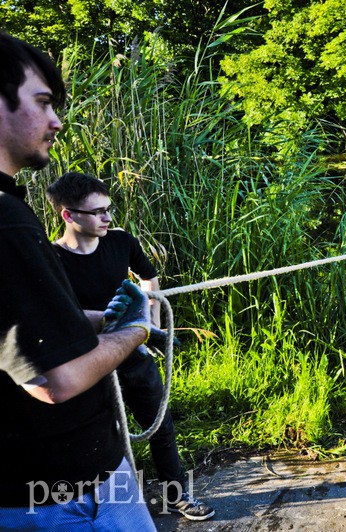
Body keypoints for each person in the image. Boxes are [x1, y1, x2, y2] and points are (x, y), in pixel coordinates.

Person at [0, 32, 156, 528]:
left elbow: (16, 332)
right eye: (43, 102)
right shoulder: (9, 223)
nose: (57, 122)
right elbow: (54, 380)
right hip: (68, 494)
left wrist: (95, 317)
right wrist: (137, 329)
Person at [46, 172, 215, 521]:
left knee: (160, 425)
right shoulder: (51, 259)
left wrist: (149, 325)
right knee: (104, 438)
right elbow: (54, 314)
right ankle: (117, 507)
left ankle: (176, 495)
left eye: (109, 209)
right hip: (88, 363)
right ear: (68, 215)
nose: (108, 218)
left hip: (133, 353)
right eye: (98, 212)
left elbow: (149, 279)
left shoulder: (121, 241)